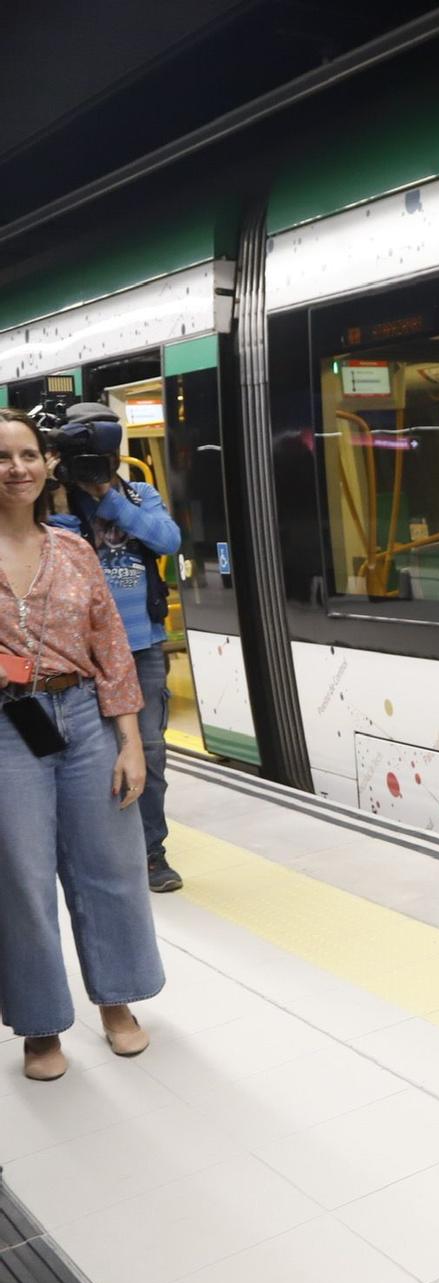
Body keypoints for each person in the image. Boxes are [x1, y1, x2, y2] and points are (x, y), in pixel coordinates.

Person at [0, 408, 166, 1082]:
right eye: (2, 457)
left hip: (86, 715)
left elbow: (111, 646)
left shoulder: (73, 548)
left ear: (47, 466)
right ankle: (41, 1024)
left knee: (111, 867)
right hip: (10, 726)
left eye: (28, 455)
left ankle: (116, 1001)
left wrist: (131, 740)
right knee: (22, 878)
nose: (16, 468)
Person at [49, 403, 185, 892]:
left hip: (143, 647)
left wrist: (109, 494)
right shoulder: (54, 504)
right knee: (88, 752)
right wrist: (61, 495)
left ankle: (152, 852)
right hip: (80, 655)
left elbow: (168, 540)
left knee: (148, 749)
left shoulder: (137, 493)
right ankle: (98, 847)